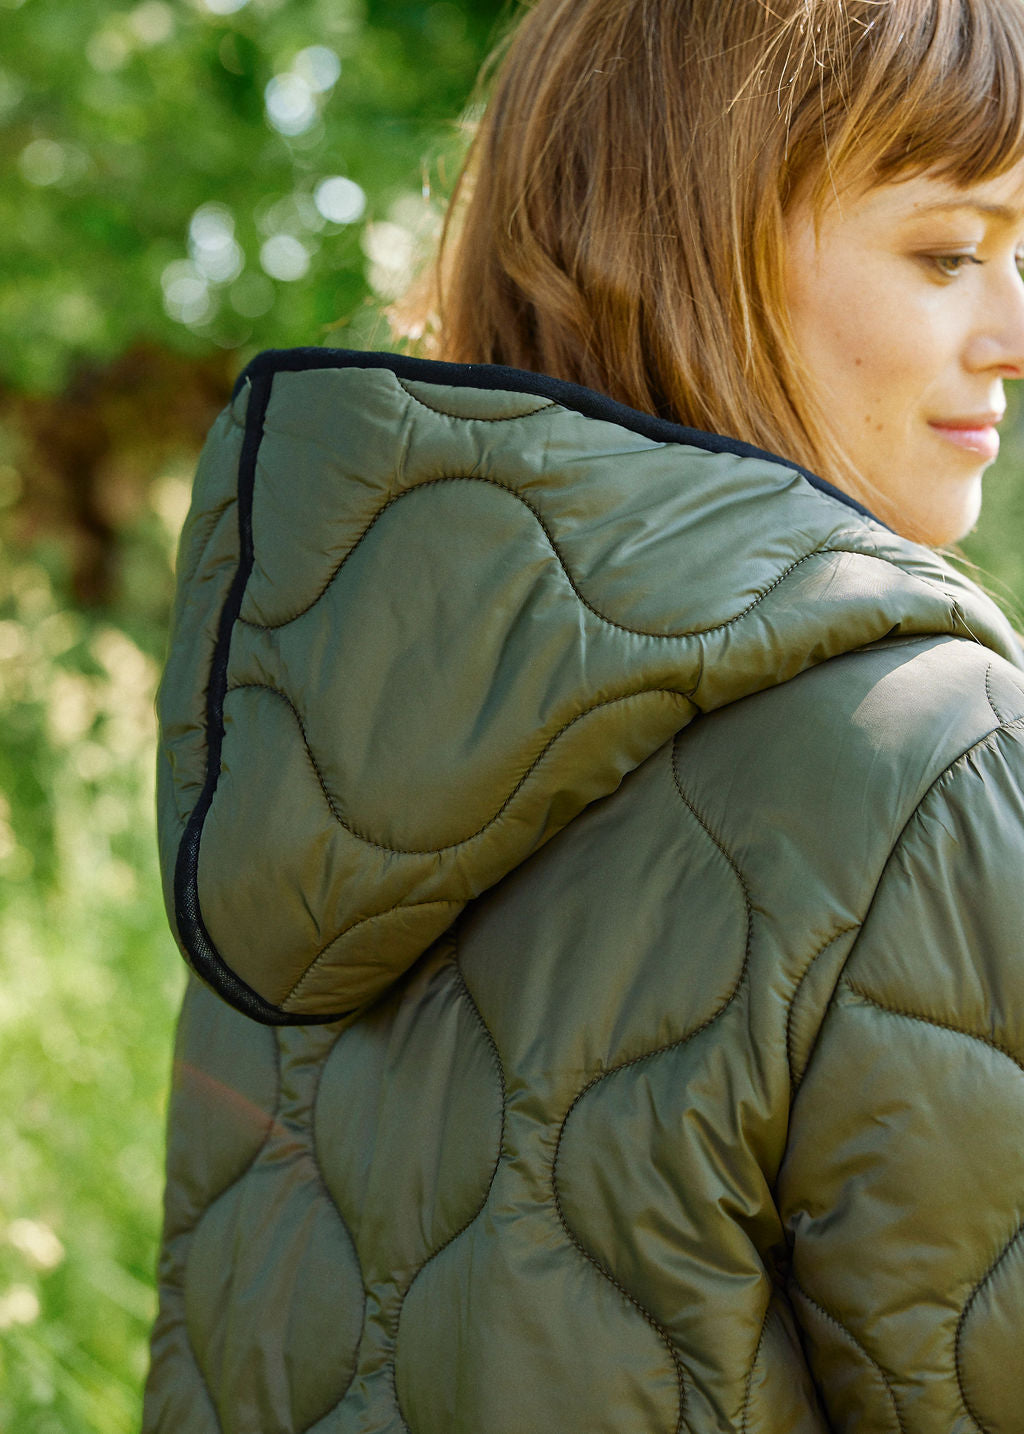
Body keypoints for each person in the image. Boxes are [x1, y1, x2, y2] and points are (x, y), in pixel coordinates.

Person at [143, 1, 1024, 1429]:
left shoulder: (302, 744)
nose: (1014, 332)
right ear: (696, 248)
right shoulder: (930, 750)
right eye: (949, 252)